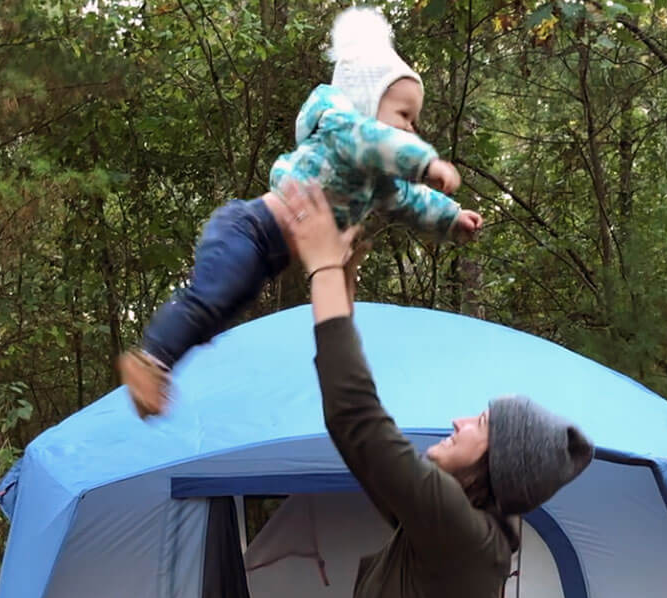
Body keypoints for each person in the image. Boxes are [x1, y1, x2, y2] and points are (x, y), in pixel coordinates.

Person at [278, 180, 594, 598]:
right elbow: (362, 443)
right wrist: (344, 288)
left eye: (481, 424)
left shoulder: (462, 535)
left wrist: (324, 272)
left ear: (497, 467)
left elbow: (356, 419)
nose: (458, 420)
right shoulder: (448, 529)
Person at [120, 6, 483, 418]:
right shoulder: (345, 131)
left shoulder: (375, 179)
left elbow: (409, 199)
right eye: (404, 115)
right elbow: (380, 141)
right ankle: (150, 359)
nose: (410, 129)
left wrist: (451, 216)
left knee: (219, 313)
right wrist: (429, 163)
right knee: (211, 299)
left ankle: (160, 369)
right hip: (250, 230)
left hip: (266, 254)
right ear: (367, 102)